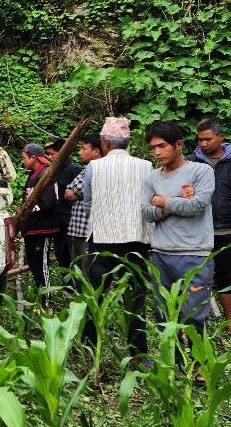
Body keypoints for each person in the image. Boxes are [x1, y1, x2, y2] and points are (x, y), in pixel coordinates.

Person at [142, 121, 215, 367]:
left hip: (194, 253)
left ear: (179, 144)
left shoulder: (200, 172)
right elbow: (146, 212)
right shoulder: (152, 177)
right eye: (153, 148)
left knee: (195, 315)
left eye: (162, 146)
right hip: (160, 253)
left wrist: (162, 202)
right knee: (163, 314)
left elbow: (197, 206)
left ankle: (199, 366)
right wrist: (174, 203)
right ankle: (173, 363)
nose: (157, 152)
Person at [81, 117, 152, 357]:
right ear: (127, 142)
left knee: (96, 294)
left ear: (104, 143)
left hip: (102, 237)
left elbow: (87, 201)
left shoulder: (94, 167)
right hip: (137, 238)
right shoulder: (146, 166)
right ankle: (137, 352)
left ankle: (90, 347)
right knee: (135, 295)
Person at [186, 118, 231, 341]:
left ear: (221, 137)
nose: (203, 144)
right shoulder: (191, 162)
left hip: (229, 231)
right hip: (198, 232)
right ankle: (195, 327)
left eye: (208, 139)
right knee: (196, 279)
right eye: (200, 139)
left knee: (228, 279)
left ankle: (229, 324)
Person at [20, 143, 60, 308]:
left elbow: (49, 203)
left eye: (24, 158)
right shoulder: (32, 176)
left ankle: (47, 304)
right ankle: (41, 299)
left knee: (42, 266)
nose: (22, 162)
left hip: (42, 228)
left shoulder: (46, 175)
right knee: (34, 265)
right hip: (32, 229)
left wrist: (27, 212)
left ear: (33, 157)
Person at [64, 135, 103, 277]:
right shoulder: (85, 169)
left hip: (87, 230)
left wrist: (75, 193)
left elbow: (69, 194)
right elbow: (69, 193)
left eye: (83, 148)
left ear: (96, 151)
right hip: (79, 229)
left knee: (86, 271)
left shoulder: (93, 170)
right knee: (79, 269)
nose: (80, 152)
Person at [44, 137, 82, 269]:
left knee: (72, 255)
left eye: (51, 154)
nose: (49, 157)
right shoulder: (51, 171)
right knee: (61, 255)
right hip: (56, 220)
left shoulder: (74, 169)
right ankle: (67, 287)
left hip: (71, 220)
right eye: (47, 154)